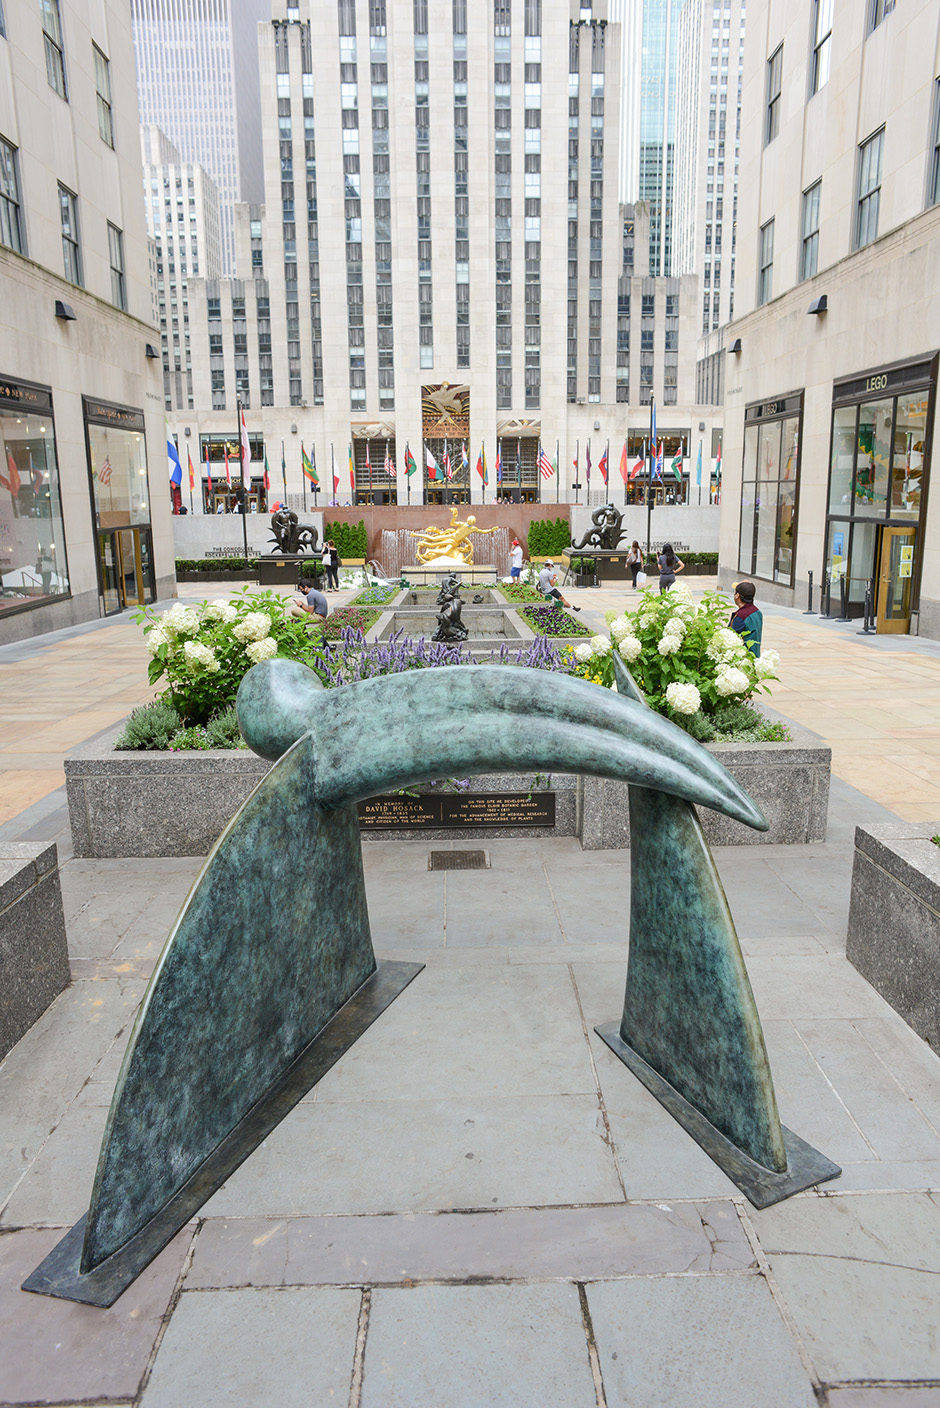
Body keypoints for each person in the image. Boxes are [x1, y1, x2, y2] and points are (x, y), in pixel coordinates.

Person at [729, 580, 763, 656]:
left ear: (737, 596)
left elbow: (731, 640)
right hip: (755, 656)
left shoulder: (740, 616)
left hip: (744, 660)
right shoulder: (757, 612)